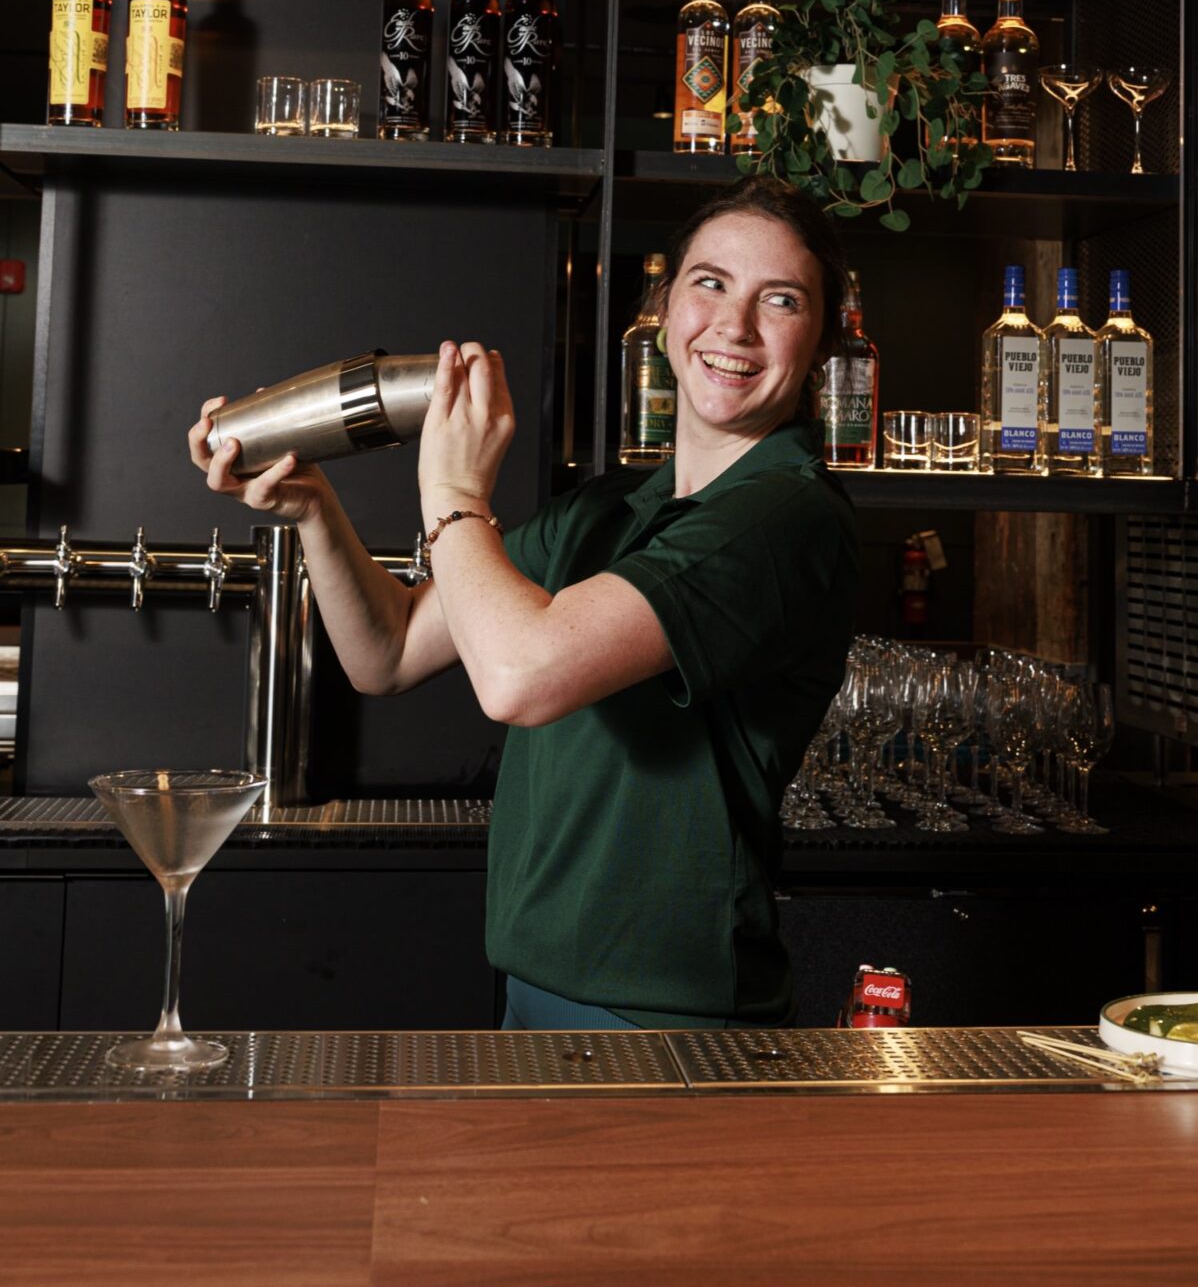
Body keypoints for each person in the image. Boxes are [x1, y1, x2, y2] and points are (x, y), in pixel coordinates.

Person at [189, 175, 860, 1030]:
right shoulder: (610, 511)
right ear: (662, 307)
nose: (733, 326)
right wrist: (314, 510)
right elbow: (386, 652)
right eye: (710, 282)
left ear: (821, 340)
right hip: (534, 983)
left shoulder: (783, 515)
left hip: (669, 1012)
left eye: (781, 300)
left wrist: (454, 488)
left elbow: (517, 678)